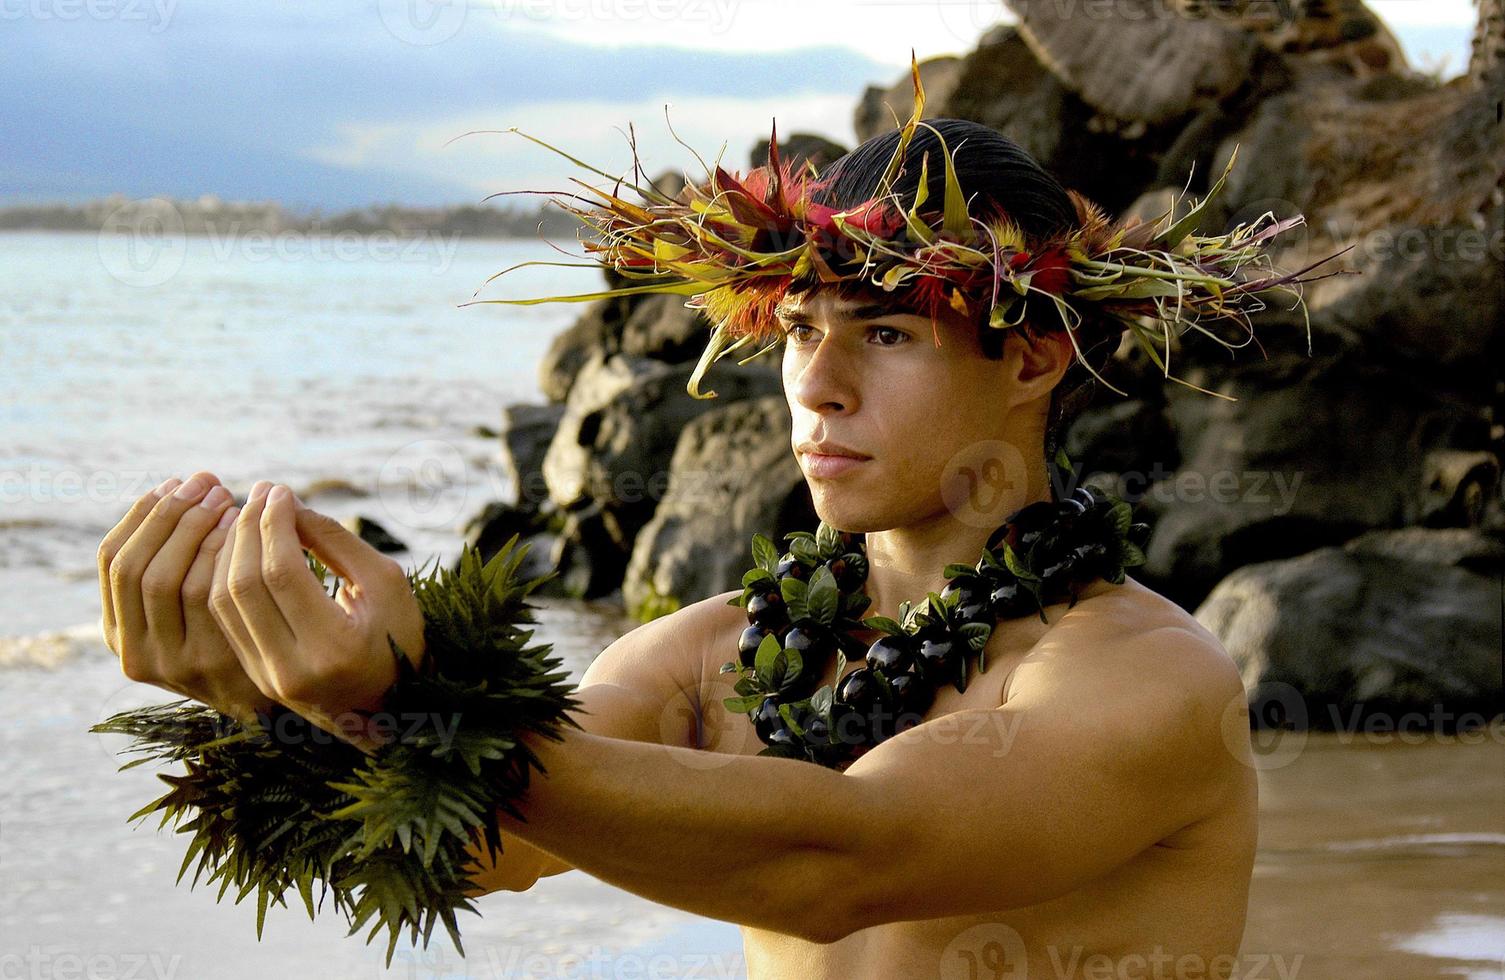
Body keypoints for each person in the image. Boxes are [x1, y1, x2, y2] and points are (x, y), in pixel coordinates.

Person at [98, 112, 1266, 977]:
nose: (816, 383)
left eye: (887, 331)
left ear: (1028, 358)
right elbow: (479, 846)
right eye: (799, 328)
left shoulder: (1148, 677)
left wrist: (405, 704)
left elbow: (835, 866)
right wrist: (272, 698)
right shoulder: (708, 655)